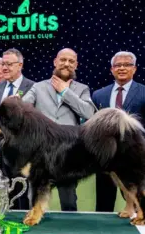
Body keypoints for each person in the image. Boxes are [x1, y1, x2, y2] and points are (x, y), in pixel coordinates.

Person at [22, 48, 96, 211]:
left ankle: (70, 232)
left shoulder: (82, 89)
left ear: (76, 65)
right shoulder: (38, 87)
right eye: (63, 60)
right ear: (55, 62)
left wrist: (65, 91)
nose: (66, 64)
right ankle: (34, 227)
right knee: (35, 198)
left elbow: (89, 113)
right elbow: (24, 107)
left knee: (68, 200)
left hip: (68, 153)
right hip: (40, 153)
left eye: (71, 61)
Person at [92, 51, 145, 212]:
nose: (122, 68)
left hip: (133, 159)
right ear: (112, 69)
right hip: (105, 160)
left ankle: (141, 230)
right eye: (117, 65)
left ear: (134, 69)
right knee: (103, 205)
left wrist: (134, 149)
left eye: (127, 64)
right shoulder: (99, 94)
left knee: (137, 205)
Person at [0, 48, 35, 210]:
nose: (5, 68)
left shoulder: (32, 87)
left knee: (22, 191)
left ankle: (23, 225)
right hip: (1, 152)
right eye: (3, 64)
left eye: (9, 64)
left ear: (20, 65)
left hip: (23, 151)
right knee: (5, 191)